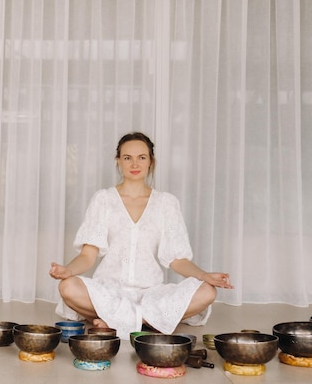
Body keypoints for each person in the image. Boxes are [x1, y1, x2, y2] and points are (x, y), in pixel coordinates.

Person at [49, 132, 233, 339]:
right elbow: (87, 256)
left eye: (141, 157)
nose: (134, 164)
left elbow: (177, 260)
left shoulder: (166, 203)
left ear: (151, 162)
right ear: (118, 161)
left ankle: (117, 320)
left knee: (207, 292)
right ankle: (149, 320)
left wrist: (204, 276)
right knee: (67, 287)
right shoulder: (104, 199)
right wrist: (67, 270)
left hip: (150, 293)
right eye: (127, 157)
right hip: (109, 291)